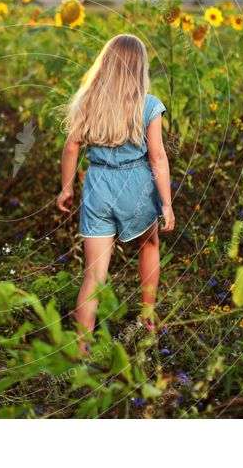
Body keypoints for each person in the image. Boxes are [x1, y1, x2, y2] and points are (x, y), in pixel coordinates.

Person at [57, 34, 175, 355]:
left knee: (93, 275)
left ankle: (81, 350)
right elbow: (158, 158)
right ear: (140, 67)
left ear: (105, 64)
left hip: (97, 188)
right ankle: (147, 316)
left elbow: (71, 147)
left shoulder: (88, 101)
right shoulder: (149, 105)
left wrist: (67, 188)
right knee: (148, 243)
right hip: (135, 188)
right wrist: (166, 203)